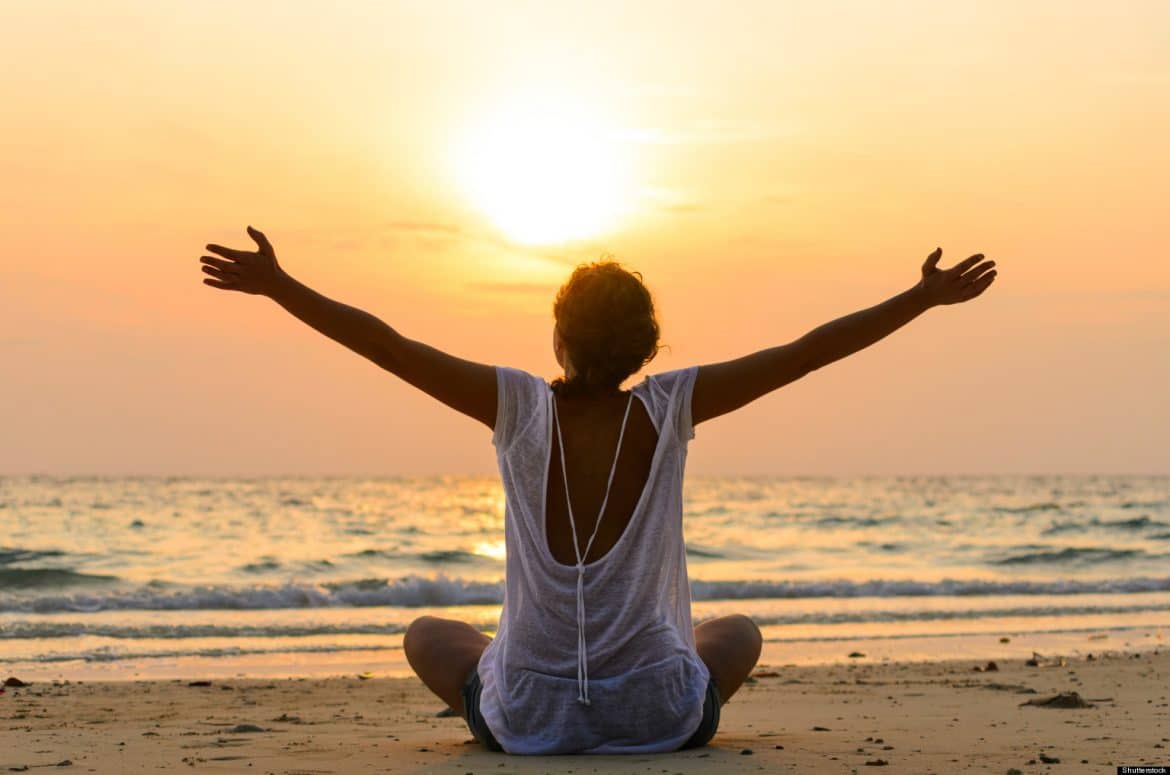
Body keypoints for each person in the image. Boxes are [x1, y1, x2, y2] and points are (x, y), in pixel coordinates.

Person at [200, 227, 997, 754]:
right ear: (647, 346)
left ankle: (533, 682)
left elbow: (385, 346)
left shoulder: (515, 404)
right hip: (660, 714)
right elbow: (811, 350)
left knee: (425, 633)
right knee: (740, 631)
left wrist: (280, 284)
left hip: (528, 720)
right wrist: (920, 298)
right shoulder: (672, 403)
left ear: (559, 334)